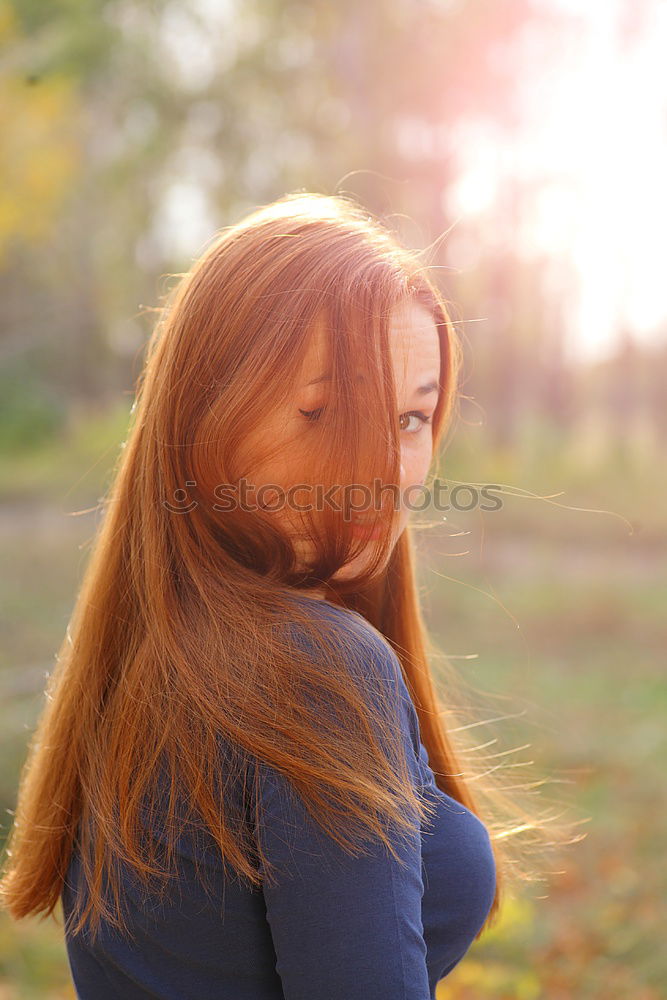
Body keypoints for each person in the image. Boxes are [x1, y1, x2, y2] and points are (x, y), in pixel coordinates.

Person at [1, 192, 546, 998]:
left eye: (409, 417)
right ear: (204, 414)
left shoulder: (152, 651)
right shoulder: (314, 665)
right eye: (323, 412)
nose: (384, 472)